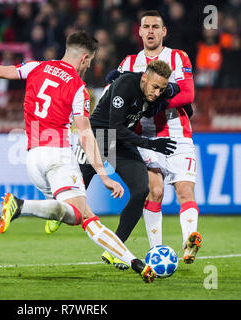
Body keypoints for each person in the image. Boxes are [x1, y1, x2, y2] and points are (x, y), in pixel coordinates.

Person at [0, 31, 157, 283]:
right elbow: (85, 133)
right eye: (89, 62)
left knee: (73, 214)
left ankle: (134, 262)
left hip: (33, 159)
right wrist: (104, 175)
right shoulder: (77, 87)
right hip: (58, 156)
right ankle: (23, 206)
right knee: (85, 217)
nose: (88, 67)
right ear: (84, 58)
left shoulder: (37, 66)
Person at [51, 60, 180, 271]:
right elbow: (116, 128)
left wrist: (177, 97)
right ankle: (57, 212)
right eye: (155, 87)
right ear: (144, 77)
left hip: (123, 143)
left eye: (162, 89)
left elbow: (179, 89)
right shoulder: (125, 85)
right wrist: (150, 144)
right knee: (74, 188)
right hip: (100, 136)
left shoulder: (161, 89)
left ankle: (116, 249)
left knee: (141, 190)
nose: (157, 93)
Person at [116, 10, 202, 265]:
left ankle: (189, 244)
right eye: (146, 26)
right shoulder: (128, 63)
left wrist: (156, 104)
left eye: (156, 26)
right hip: (146, 137)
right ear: (139, 31)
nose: (151, 31)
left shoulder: (177, 57)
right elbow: (118, 97)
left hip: (177, 133)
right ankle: (157, 252)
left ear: (164, 31)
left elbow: (187, 94)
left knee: (185, 191)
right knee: (154, 191)